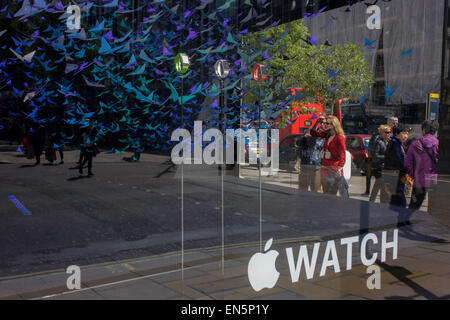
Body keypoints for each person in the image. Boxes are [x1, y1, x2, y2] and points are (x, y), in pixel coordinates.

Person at [310, 115, 348, 197]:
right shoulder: (327, 135)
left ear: (333, 125)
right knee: (326, 193)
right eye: (324, 123)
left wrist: (339, 168)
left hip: (334, 170)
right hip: (325, 168)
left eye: (327, 123)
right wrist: (317, 122)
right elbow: (313, 133)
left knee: (334, 194)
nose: (324, 125)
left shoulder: (339, 137)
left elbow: (342, 154)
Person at [405, 120, 439, 211]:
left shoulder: (416, 144)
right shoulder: (438, 144)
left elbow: (408, 163)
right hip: (433, 179)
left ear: (423, 130)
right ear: (435, 131)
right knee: (433, 207)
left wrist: (413, 175)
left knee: (413, 206)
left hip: (419, 180)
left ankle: (406, 223)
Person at [384, 125, 411, 209]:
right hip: (396, 175)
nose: (406, 135)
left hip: (396, 175)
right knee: (400, 198)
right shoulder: (395, 144)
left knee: (396, 198)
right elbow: (399, 160)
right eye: (404, 133)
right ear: (397, 134)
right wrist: (407, 169)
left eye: (407, 133)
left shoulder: (398, 143)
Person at [369, 125, 391, 203]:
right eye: (387, 132)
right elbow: (375, 155)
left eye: (390, 132)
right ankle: (377, 201)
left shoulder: (386, 141)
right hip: (379, 168)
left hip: (382, 167)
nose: (389, 134)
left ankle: (373, 201)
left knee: (379, 185)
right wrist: (386, 157)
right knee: (380, 185)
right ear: (382, 133)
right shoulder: (379, 142)